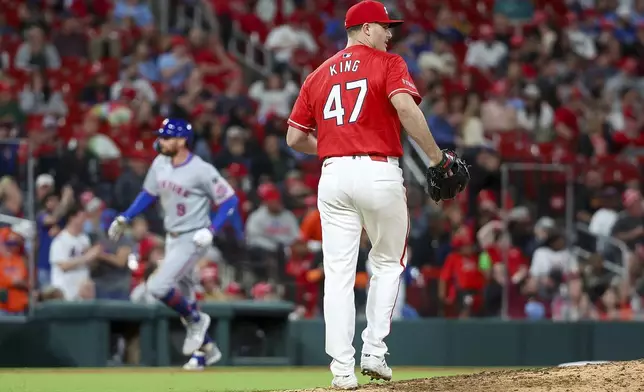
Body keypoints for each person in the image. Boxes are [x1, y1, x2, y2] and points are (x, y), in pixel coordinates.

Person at [285, 1, 469, 388]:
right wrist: (436, 159)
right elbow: (404, 106)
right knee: (386, 263)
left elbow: (295, 137)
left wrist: (334, 146)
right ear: (365, 28)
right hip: (377, 170)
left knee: (337, 274)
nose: (390, 33)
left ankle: (341, 373)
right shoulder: (388, 63)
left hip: (332, 175)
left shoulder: (317, 74)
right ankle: (374, 350)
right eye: (385, 27)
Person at [107, 118, 242, 370]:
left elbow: (230, 201)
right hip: (172, 237)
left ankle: (197, 320)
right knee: (186, 295)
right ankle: (206, 351)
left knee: (158, 287)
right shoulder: (160, 163)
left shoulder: (201, 169)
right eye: (161, 136)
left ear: (182, 141)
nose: (161, 141)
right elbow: (148, 193)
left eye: (167, 137)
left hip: (193, 237)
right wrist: (126, 216)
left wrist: (211, 229)